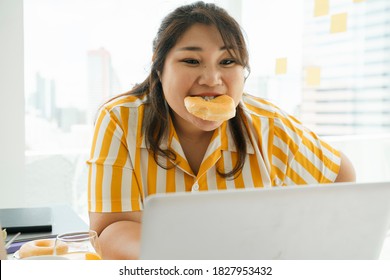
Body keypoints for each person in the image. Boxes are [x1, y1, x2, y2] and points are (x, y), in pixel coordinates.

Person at [87, 1, 356, 260]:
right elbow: (111, 228)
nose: (211, 79)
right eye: (192, 61)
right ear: (159, 69)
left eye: (227, 62)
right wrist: (187, 261)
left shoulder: (269, 125)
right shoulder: (120, 119)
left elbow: (339, 175)